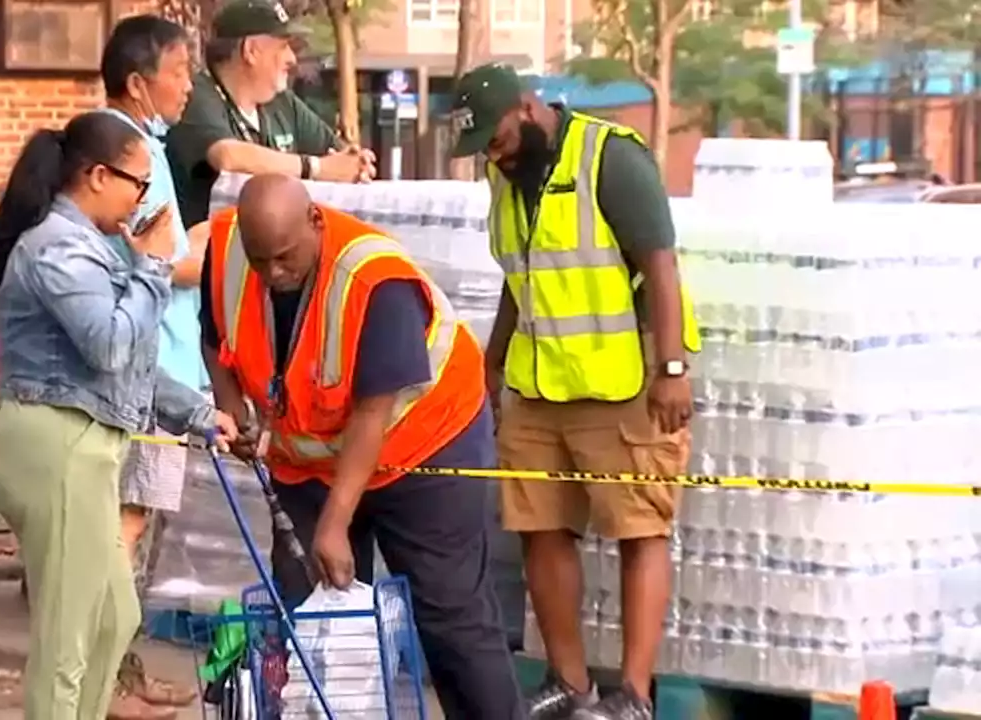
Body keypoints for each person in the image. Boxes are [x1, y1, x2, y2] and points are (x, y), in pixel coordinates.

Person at [198, 173, 526, 720]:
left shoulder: (374, 280)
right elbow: (215, 335)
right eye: (262, 262)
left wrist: (335, 523)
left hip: (424, 447)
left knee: (449, 615)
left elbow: (374, 412)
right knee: (309, 617)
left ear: (315, 221)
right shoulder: (231, 252)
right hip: (309, 460)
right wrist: (231, 403)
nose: (274, 275)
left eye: (285, 258)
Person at [448, 63, 702, 720]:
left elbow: (661, 267)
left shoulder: (610, 158)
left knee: (639, 529)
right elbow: (522, 270)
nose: (492, 156)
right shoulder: (504, 175)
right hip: (538, 383)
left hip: (625, 381)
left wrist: (671, 370)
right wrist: (494, 353)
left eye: (496, 139)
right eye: (481, 148)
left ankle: (634, 696)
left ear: (528, 108)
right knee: (540, 527)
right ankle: (570, 682)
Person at [0, 111, 237, 720]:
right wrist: (150, 264)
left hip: (89, 445)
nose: (143, 200)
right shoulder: (56, 246)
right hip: (54, 443)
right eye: (139, 183)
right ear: (97, 175)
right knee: (69, 635)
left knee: (114, 617)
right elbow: (109, 344)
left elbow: (133, 363)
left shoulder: (94, 246)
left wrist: (199, 413)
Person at [98, 16, 208, 718]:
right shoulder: (128, 149)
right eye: (179, 71)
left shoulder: (139, 145)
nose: (189, 85)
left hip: (158, 364)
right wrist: (219, 242)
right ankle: (103, 679)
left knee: (135, 528)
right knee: (124, 527)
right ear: (140, 82)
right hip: (148, 369)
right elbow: (159, 261)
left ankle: (119, 669)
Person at [165, 0, 375, 229]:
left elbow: (338, 154)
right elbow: (229, 157)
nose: (292, 59)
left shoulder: (282, 102)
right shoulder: (195, 94)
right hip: (209, 257)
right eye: (283, 46)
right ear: (251, 51)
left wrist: (357, 165)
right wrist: (316, 168)